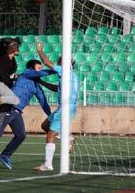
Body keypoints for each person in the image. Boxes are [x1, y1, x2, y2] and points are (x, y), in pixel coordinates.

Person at [0, 59, 56, 170]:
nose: (40, 70)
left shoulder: (37, 86)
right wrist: (57, 70)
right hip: (7, 108)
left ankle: (5, 155)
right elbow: (40, 73)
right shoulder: (27, 73)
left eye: (41, 68)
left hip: (17, 112)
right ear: (31, 69)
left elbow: (43, 102)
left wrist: (50, 116)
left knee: (21, 135)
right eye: (38, 68)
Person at [34, 43, 79, 172]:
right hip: (67, 108)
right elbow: (56, 88)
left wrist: (40, 50)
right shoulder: (73, 75)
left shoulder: (64, 70)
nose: (58, 61)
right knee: (45, 126)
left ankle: (48, 164)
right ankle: (68, 139)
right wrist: (42, 82)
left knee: (50, 135)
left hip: (65, 109)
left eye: (60, 60)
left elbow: (46, 62)